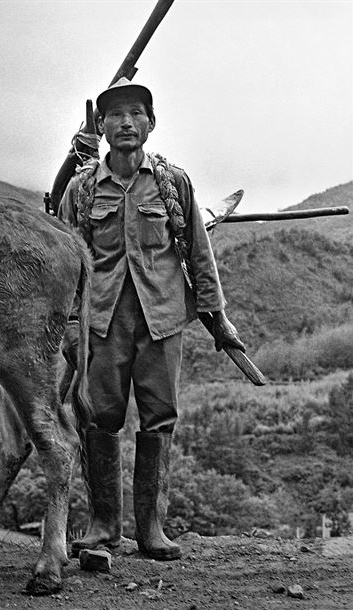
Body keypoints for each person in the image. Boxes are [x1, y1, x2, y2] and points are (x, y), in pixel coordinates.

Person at [58, 79, 245, 561]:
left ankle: (152, 529)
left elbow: (198, 255)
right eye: (115, 115)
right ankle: (103, 525)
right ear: (101, 127)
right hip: (101, 323)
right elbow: (65, 265)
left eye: (135, 113)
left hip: (161, 320)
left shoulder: (172, 183)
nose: (125, 123)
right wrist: (70, 326)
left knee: (159, 418)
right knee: (99, 419)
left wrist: (218, 318)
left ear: (150, 122)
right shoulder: (81, 191)